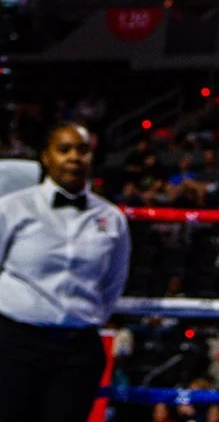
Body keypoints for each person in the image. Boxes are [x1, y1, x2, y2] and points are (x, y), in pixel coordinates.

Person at [0, 123, 131, 422]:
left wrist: (82, 316)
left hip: (77, 349)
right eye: (64, 149)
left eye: (82, 150)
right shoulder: (12, 207)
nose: (74, 157)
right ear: (46, 157)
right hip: (15, 342)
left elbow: (113, 282)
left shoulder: (111, 218)